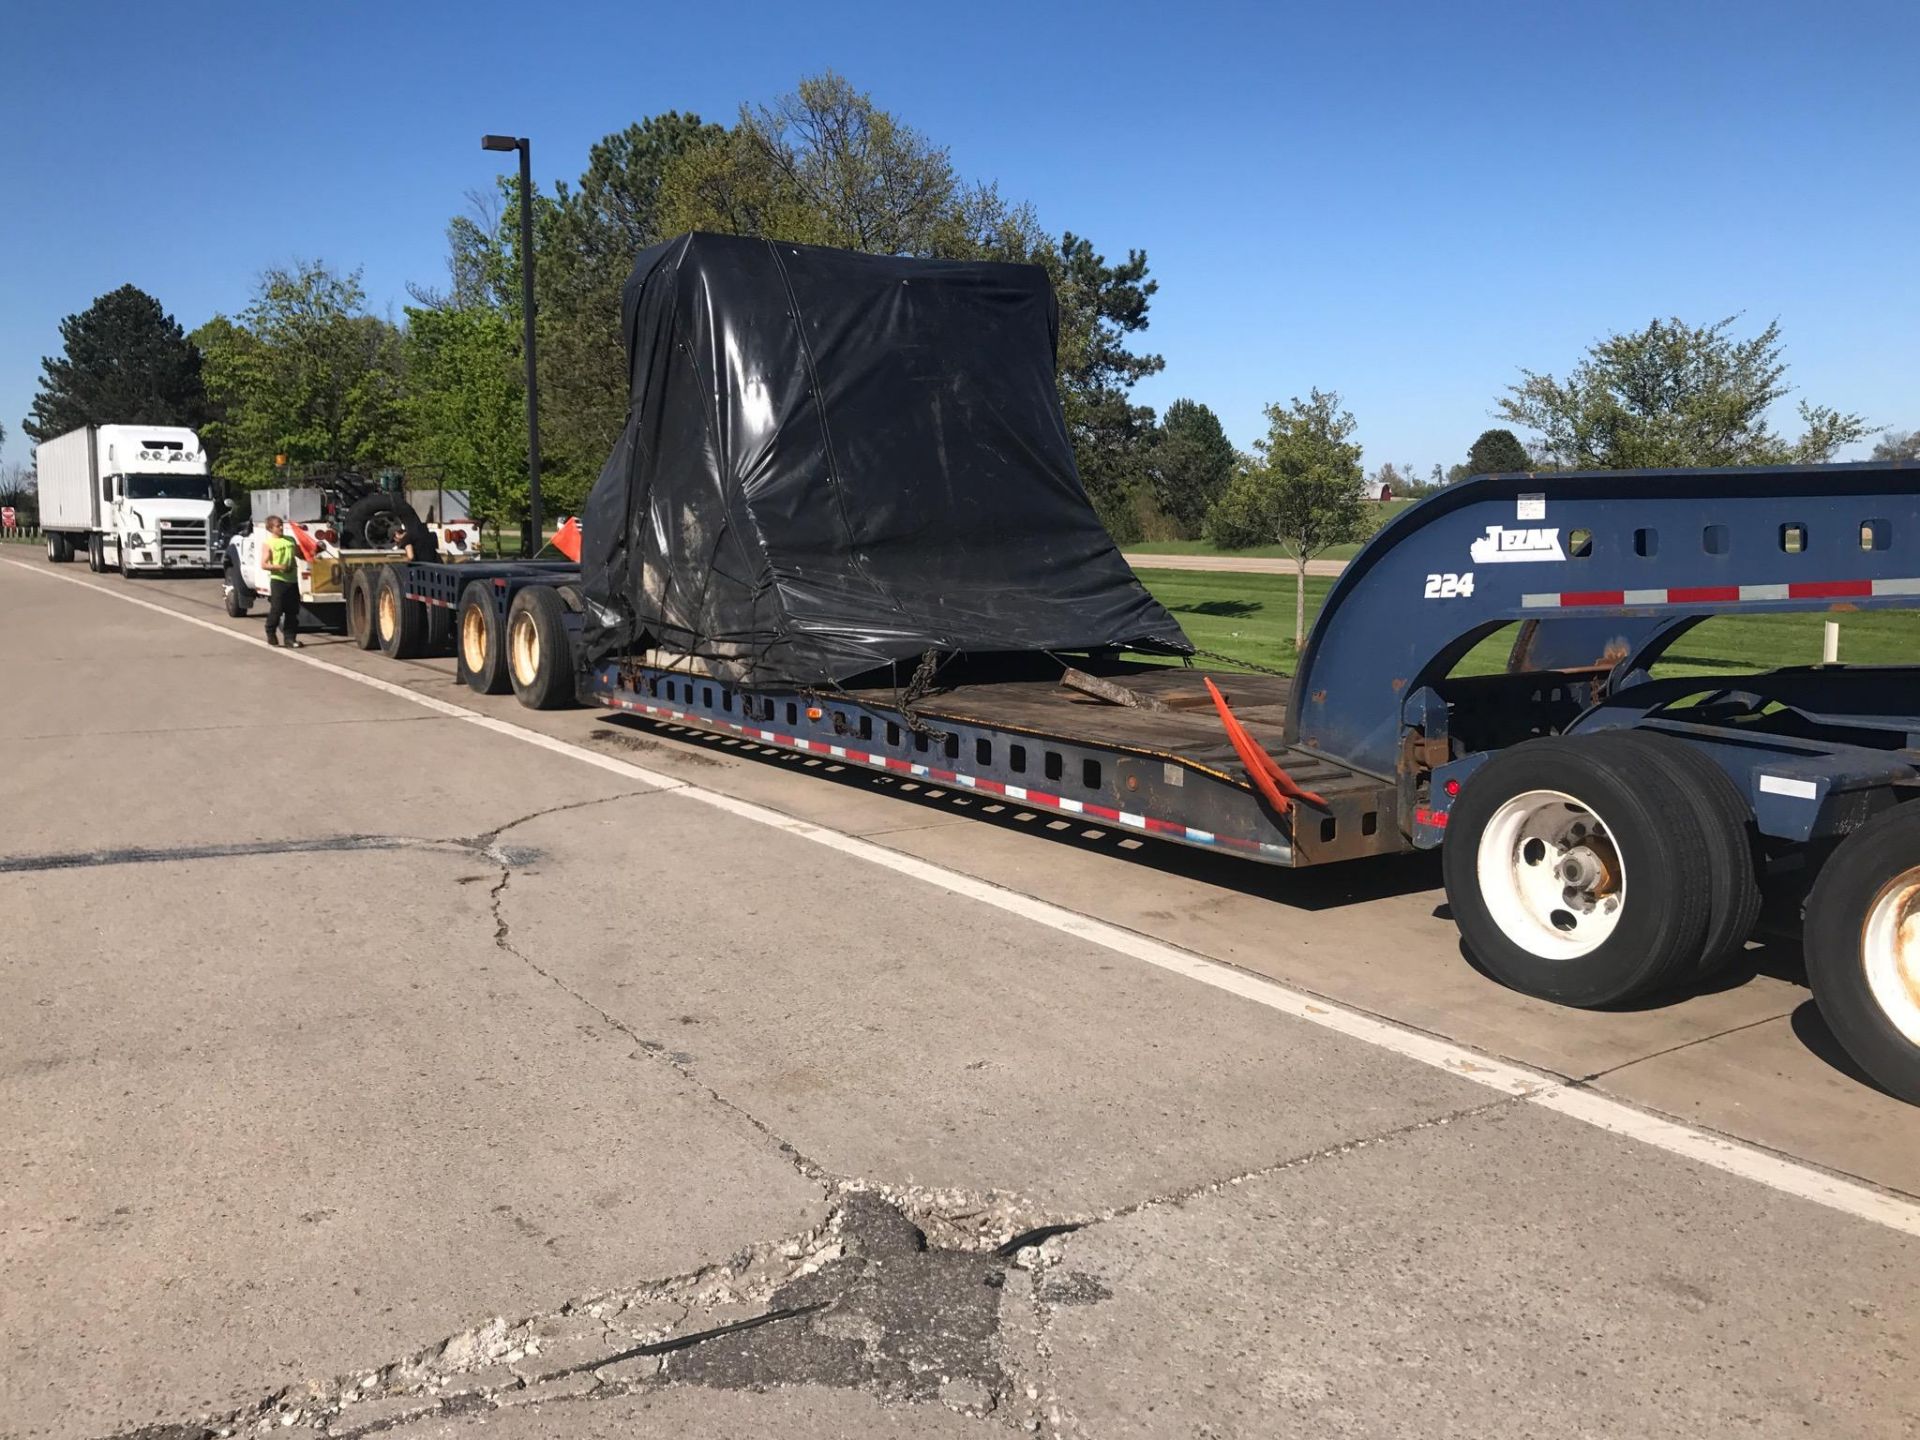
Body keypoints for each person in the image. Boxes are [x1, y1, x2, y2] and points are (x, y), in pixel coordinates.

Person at [261, 515, 302, 648]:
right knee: (277, 609)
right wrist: (279, 567)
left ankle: (290, 638)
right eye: (277, 526)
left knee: (292, 611)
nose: (281, 527)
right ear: (270, 528)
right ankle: (270, 631)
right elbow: (264, 564)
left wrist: (315, 550)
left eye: (281, 525)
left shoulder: (290, 540)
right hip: (278, 580)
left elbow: (301, 554)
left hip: (292, 580)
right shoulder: (269, 543)